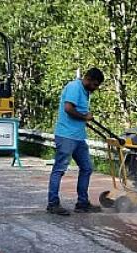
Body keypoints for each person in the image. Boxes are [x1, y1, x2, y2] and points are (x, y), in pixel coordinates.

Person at [46, 68, 105, 215]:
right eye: (95, 85)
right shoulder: (74, 87)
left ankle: (82, 203)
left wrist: (85, 117)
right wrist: (85, 117)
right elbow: (68, 108)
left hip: (78, 137)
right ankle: (53, 204)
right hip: (66, 135)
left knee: (86, 168)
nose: (96, 88)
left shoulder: (85, 92)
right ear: (89, 79)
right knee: (59, 169)